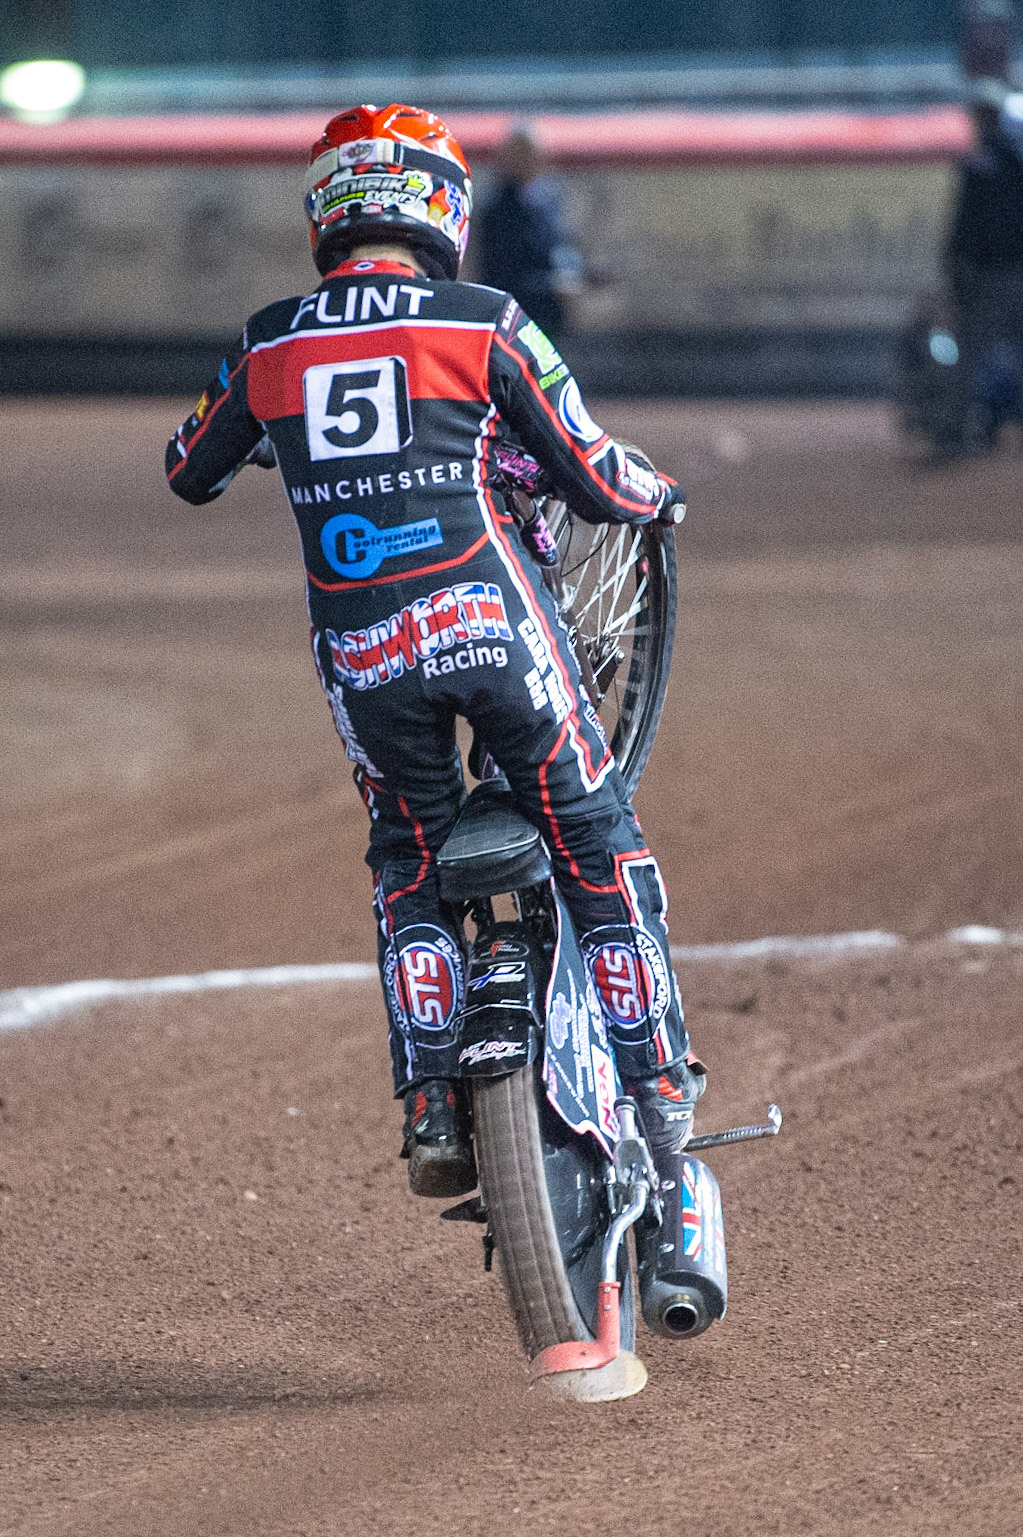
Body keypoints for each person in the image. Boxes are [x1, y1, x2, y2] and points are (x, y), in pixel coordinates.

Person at [165, 103, 704, 1200]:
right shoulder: (487, 321)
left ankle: (428, 1104)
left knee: (408, 865)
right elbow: (600, 480)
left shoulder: (271, 341)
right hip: (494, 629)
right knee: (598, 844)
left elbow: (189, 468)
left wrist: (281, 440)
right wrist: (663, 492)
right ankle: (659, 1088)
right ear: (441, 206)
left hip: (363, 656)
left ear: (328, 211)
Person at [940, 79, 1023, 448]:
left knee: (969, 355)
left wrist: (955, 266)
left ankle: (955, 433)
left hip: (988, 278)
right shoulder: (1016, 160)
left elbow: (964, 226)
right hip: (1016, 273)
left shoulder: (975, 165)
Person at [476, 126, 580, 344]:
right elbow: (502, 271)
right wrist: (551, 283)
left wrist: (572, 274)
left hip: (547, 312)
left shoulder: (545, 197)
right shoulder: (499, 207)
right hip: (515, 314)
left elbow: (554, 247)